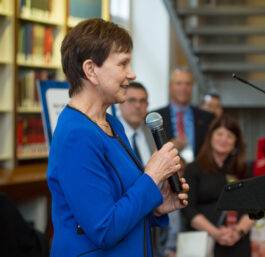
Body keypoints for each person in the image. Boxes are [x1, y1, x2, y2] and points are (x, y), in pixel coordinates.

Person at [47, 18, 189, 257]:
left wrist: (155, 207)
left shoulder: (111, 123)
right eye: (123, 64)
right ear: (91, 70)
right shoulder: (76, 135)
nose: (131, 74)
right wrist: (152, 176)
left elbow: (119, 204)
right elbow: (104, 229)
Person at [182, 115, 255, 257]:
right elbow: (188, 209)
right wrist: (216, 233)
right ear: (210, 136)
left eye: (229, 135)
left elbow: (254, 208)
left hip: (238, 244)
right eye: (220, 134)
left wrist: (238, 232)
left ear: (236, 142)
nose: (224, 139)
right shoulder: (194, 169)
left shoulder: (244, 171)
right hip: (203, 243)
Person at [153, 67, 215, 162]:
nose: (183, 88)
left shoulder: (208, 118)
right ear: (170, 87)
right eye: (179, 83)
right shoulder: (155, 118)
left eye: (188, 84)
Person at [118, 81, 156, 164]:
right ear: (120, 104)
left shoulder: (154, 133)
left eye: (142, 101)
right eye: (132, 100)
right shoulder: (110, 131)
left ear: (147, 105)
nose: (138, 105)